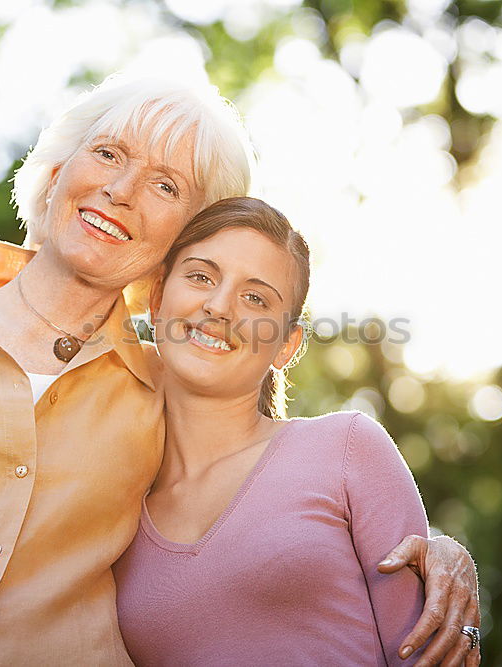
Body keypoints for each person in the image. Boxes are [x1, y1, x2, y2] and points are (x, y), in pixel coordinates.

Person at [0, 74, 478, 667]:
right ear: (59, 167)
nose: (121, 190)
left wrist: (443, 555)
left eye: (166, 186)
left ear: (184, 239)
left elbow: (270, 494)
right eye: (107, 154)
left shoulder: (164, 387)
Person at [112, 196, 471, 666]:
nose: (219, 306)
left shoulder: (347, 450)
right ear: (156, 300)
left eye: (255, 298)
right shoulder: (114, 511)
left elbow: (430, 653)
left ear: (286, 344)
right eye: (201, 276)